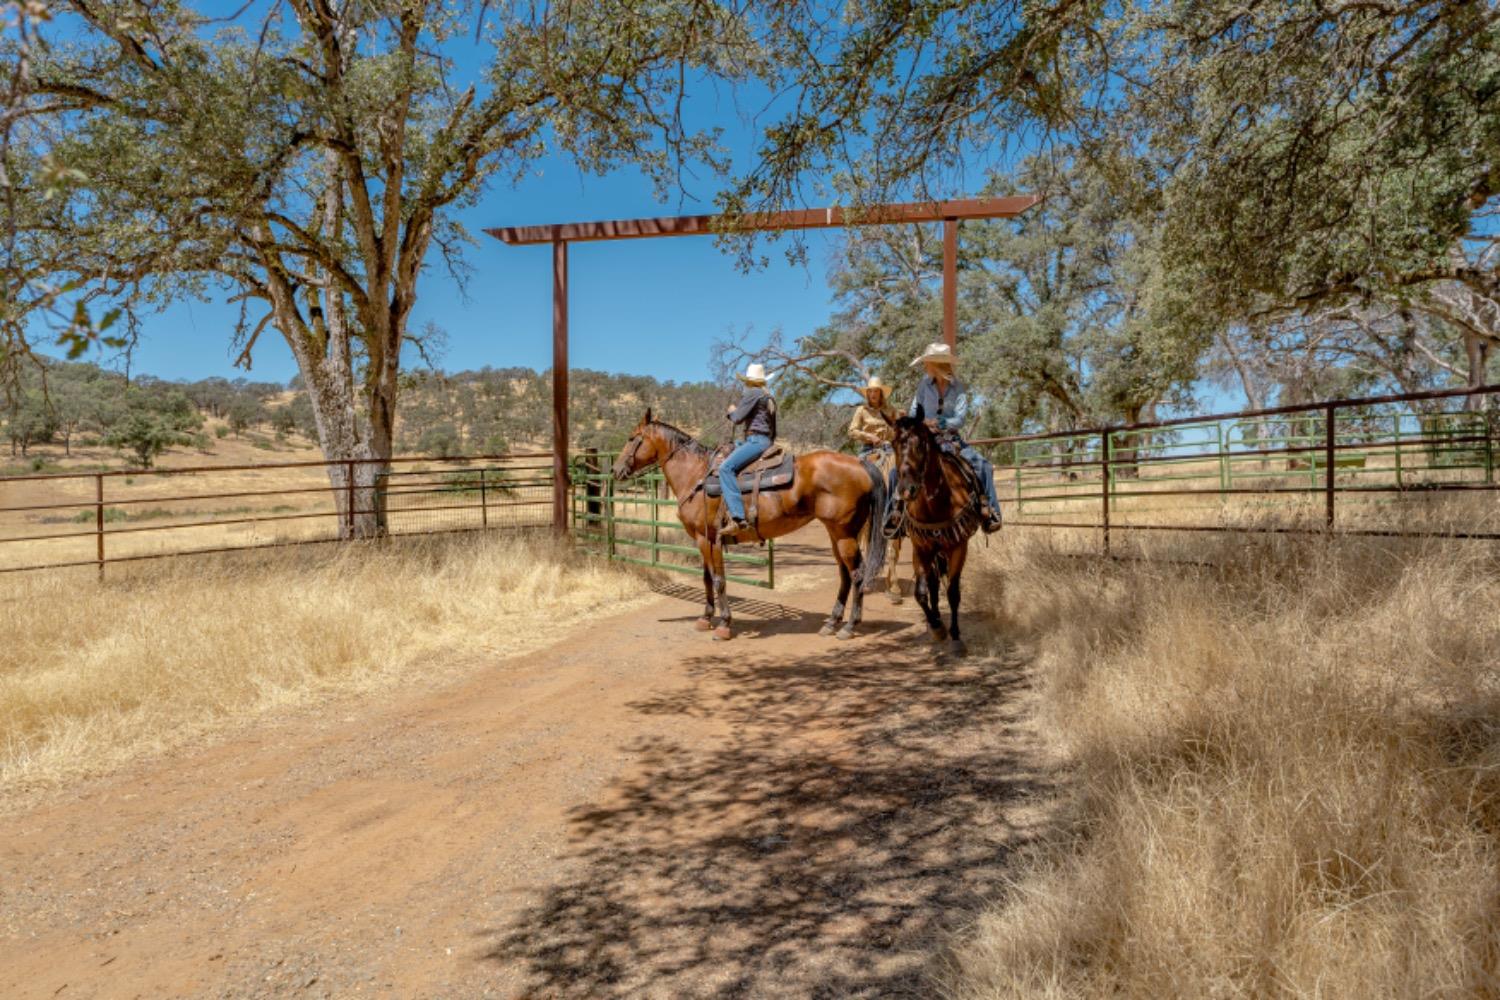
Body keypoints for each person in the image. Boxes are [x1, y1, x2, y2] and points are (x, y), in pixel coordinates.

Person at [908, 342, 1002, 532]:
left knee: (983, 466)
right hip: (926, 440)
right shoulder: (924, 385)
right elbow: (912, 413)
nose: (925, 366)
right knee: (898, 471)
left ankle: (990, 510)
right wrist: (925, 422)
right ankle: (894, 513)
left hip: (951, 439)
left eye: (927, 362)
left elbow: (960, 418)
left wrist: (942, 423)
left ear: (935, 364)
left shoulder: (957, 387)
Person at [719, 362, 777, 539]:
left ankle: (737, 518)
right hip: (763, 440)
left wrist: (731, 411)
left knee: (725, 468)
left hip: (756, 440)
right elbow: (774, 427)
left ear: (750, 382)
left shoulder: (753, 394)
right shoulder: (768, 396)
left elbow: (737, 418)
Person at [847, 375, 897, 456]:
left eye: (876, 391)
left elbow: (898, 430)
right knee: (859, 467)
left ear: (881, 393)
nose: (873, 394)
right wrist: (869, 436)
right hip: (868, 448)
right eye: (870, 391)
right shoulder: (861, 410)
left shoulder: (891, 410)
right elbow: (852, 431)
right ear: (867, 393)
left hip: (889, 448)